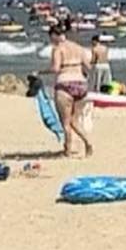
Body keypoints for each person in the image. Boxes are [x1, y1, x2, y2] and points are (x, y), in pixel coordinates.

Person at [48, 22, 93, 158]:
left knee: (66, 122)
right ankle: (88, 142)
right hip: (81, 84)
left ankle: (67, 150)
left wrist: (41, 72)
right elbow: (88, 67)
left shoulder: (58, 49)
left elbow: (56, 68)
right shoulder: (78, 48)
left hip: (64, 84)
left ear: (54, 36)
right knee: (74, 120)